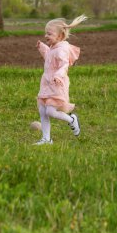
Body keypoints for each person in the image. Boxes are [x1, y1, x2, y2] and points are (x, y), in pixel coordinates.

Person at [34, 14, 87, 145]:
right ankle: (46, 139)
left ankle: (71, 120)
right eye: (45, 33)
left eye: (49, 34)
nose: (46, 36)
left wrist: (58, 75)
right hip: (47, 82)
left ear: (59, 36)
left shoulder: (62, 50)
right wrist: (42, 48)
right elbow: (49, 58)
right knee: (42, 110)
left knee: (50, 111)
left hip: (57, 83)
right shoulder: (53, 47)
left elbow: (63, 65)